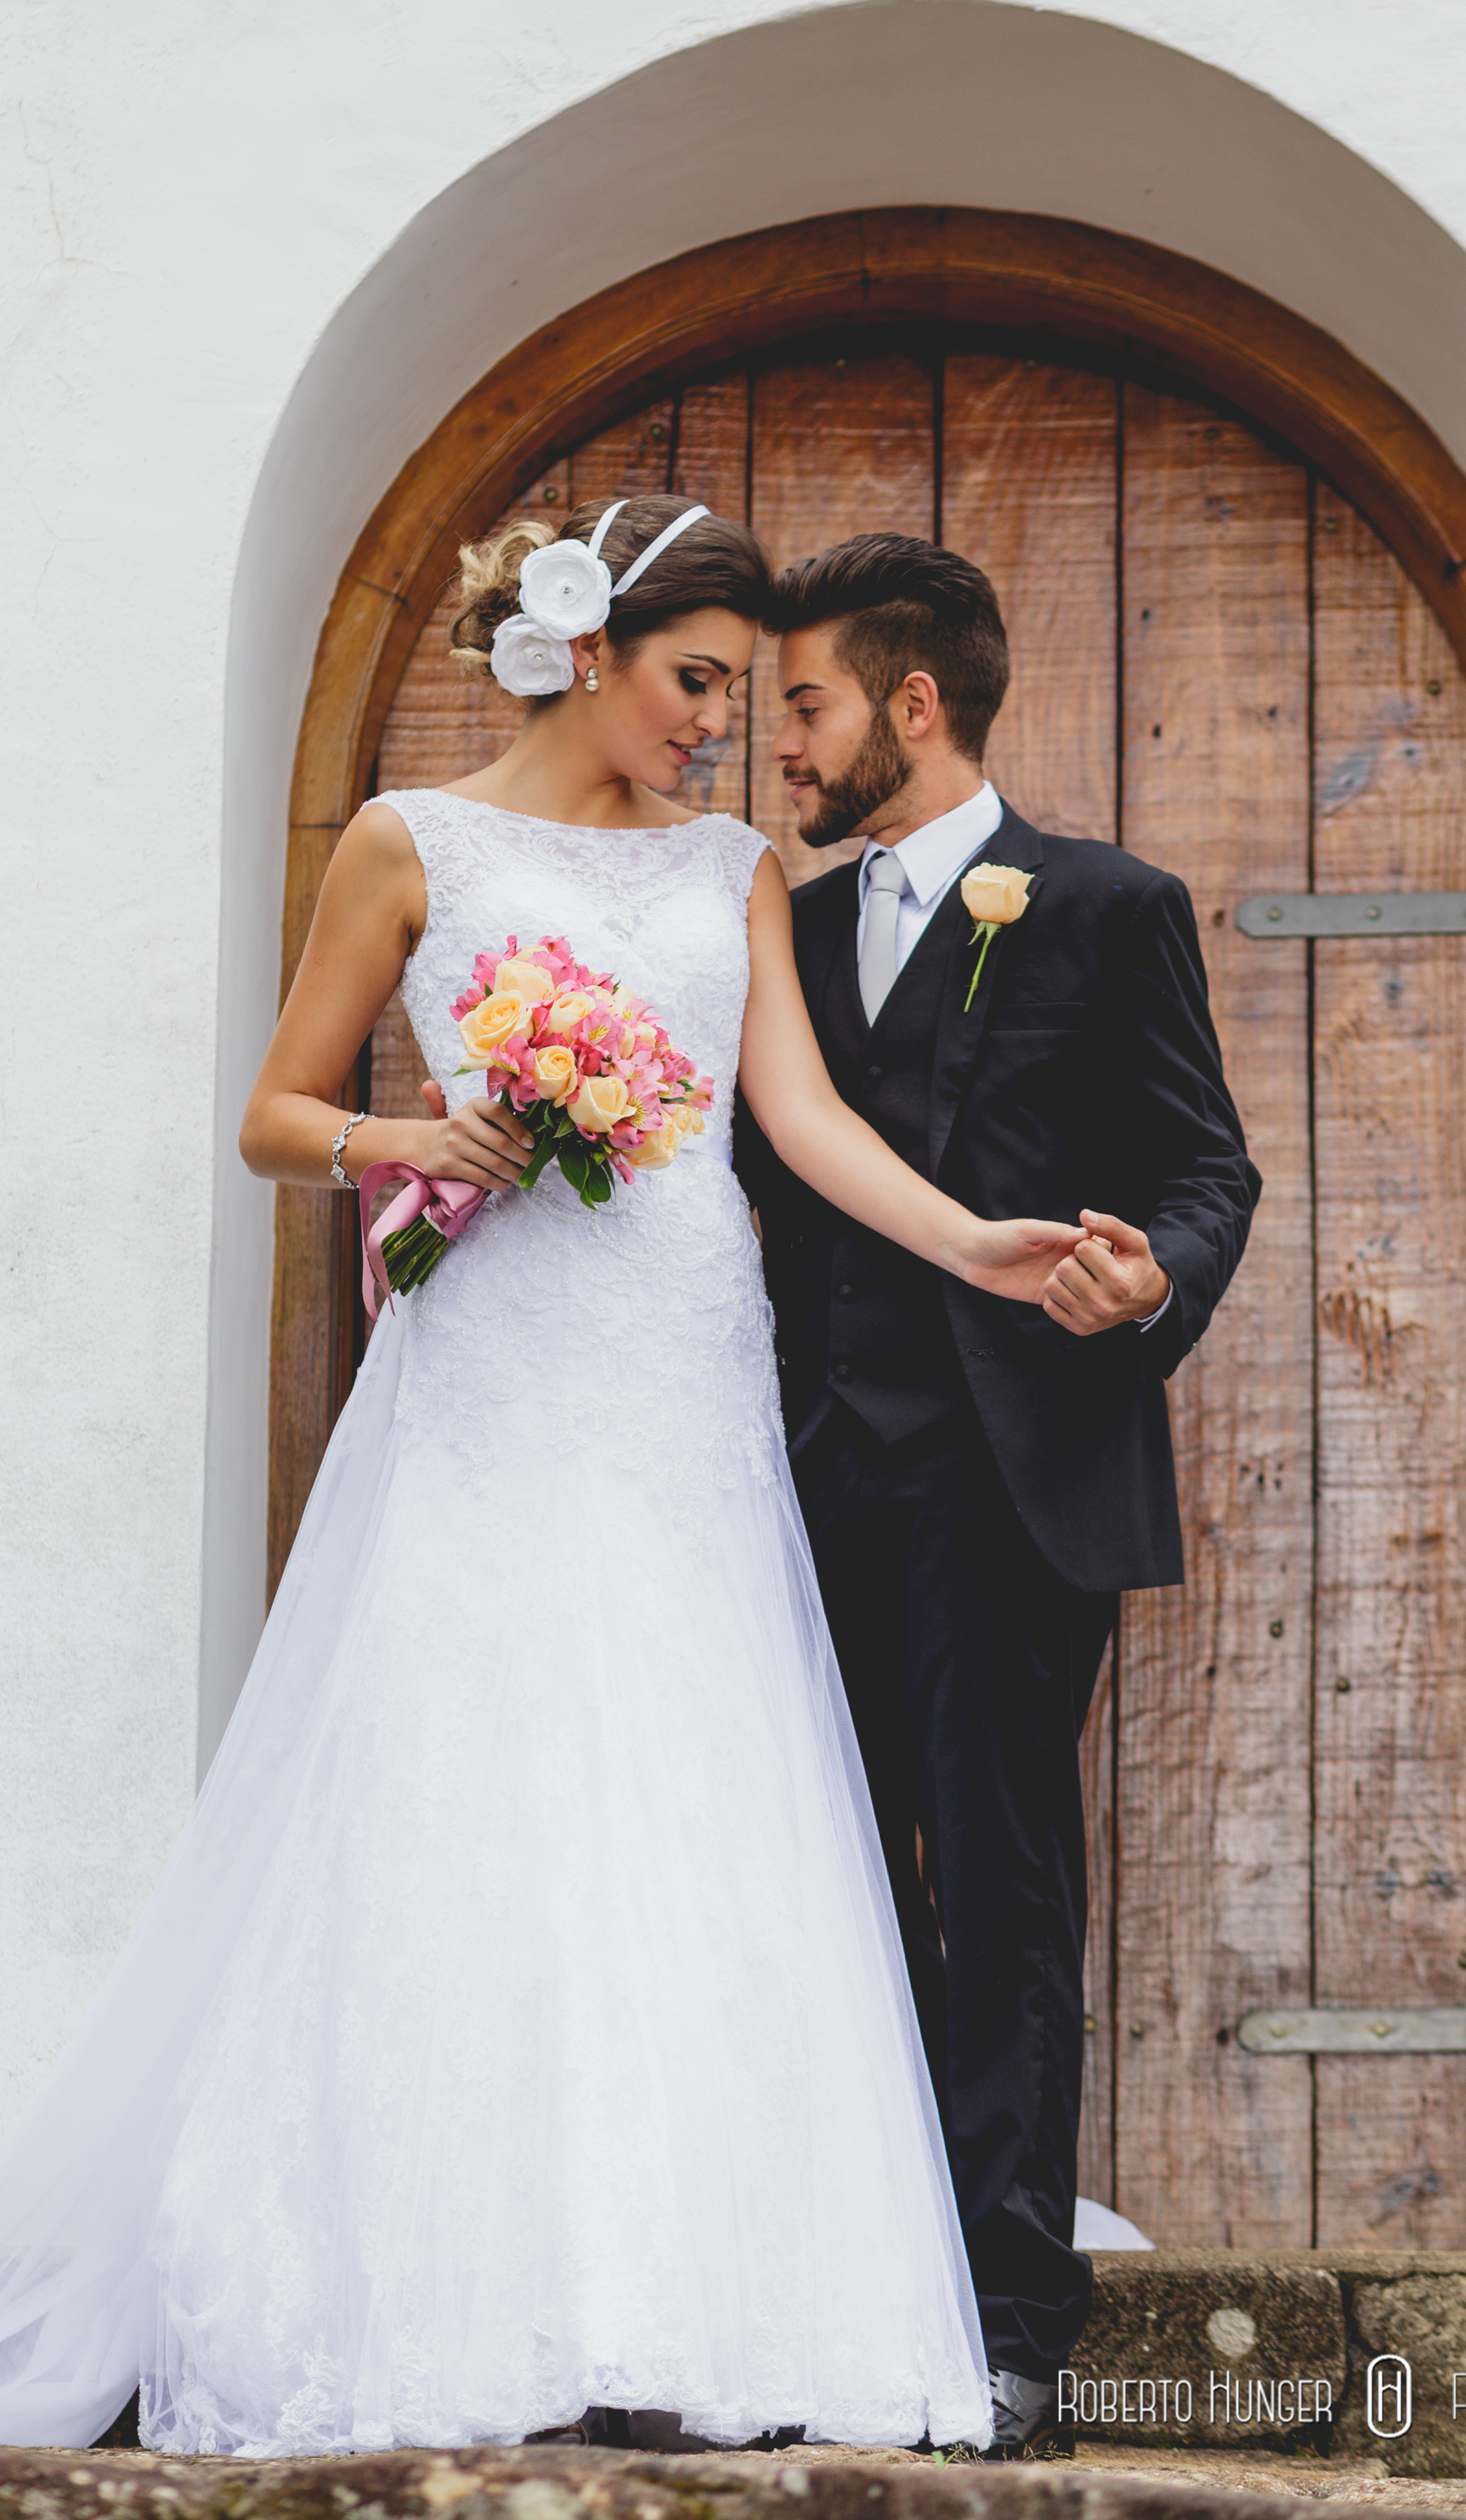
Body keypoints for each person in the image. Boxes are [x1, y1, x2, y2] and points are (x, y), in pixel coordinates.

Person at [0, 498, 1090, 2458]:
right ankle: (444, 2281)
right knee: (464, 1769)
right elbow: (274, 1112)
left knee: (689, 1777)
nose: (716, 724)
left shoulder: (733, 869)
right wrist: (408, 1140)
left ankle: (685, 2291)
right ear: (586, 652)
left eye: (741, 694)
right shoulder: (409, 844)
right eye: (696, 682)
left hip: (681, 1365)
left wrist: (974, 1243)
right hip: (493, 1365)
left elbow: (796, 1119)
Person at [738, 535, 1259, 2457]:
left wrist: (1153, 1283)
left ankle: (1009, 2326)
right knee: (811, 1891)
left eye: (804, 706)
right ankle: (825, 2296)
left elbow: (1206, 1171)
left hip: (1008, 1483)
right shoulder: (776, 929)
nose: (781, 746)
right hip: (786, 1484)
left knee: (1002, 1891)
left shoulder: (1109, 906)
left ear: (915, 701)